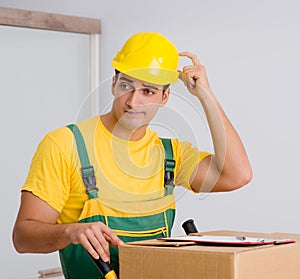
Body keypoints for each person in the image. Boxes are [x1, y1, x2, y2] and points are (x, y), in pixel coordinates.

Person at [12, 32, 252, 278]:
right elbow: (23, 237)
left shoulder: (171, 155)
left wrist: (206, 96)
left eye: (148, 91)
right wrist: (70, 231)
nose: (133, 102)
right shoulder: (66, 144)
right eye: (127, 86)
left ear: (164, 97)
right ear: (114, 84)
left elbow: (238, 175)